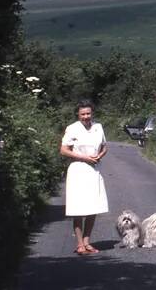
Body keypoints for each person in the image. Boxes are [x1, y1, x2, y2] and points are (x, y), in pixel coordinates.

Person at [60, 99, 109, 255]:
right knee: (78, 208)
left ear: (92, 113)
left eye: (88, 113)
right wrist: (84, 158)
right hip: (78, 170)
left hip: (94, 170)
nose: (86, 116)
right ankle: (80, 244)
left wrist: (99, 156)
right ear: (78, 114)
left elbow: (105, 147)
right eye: (83, 114)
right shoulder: (72, 128)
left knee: (92, 207)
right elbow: (64, 150)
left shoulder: (98, 127)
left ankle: (87, 242)